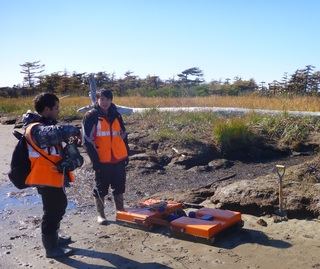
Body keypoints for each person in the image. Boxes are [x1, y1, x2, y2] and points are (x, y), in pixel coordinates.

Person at [22, 93, 81, 258]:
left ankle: (54, 238)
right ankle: (51, 249)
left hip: (54, 176)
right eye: (56, 108)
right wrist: (75, 130)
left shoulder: (43, 125)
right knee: (52, 212)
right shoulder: (35, 128)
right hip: (44, 178)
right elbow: (57, 131)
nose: (58, 111)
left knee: (59, 207)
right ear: (46, 109)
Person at [82, 88, 129, 225]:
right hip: (102, 159)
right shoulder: (90, 116)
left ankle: (120, 212)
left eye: (107, 99)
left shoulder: (117, 115)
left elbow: (123, 135)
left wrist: (126, 154)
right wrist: (95, 161)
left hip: (118, 157)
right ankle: (101, 215)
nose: (105, 102)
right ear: (97, 100)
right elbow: (87, 140)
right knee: (101, 188)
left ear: (111, 100)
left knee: (119, 186)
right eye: (102, 99)